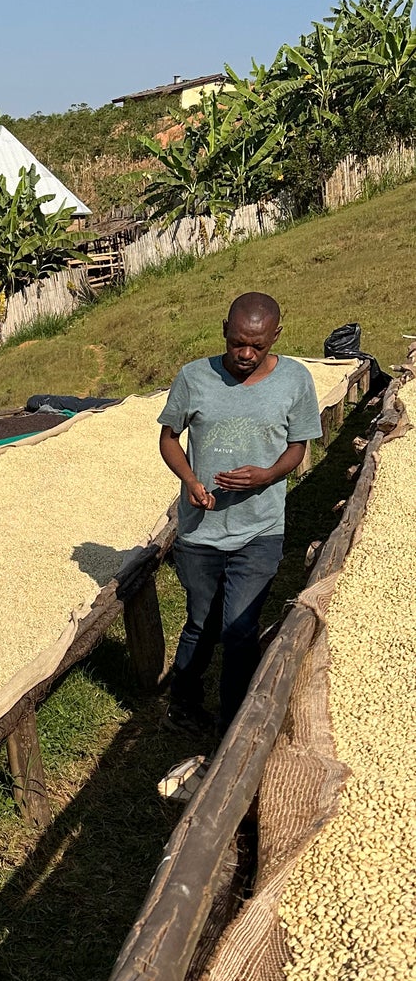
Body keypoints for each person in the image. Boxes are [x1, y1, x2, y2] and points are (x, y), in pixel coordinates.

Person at [158, 292, 323, 739]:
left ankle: (234, 723)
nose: (246, 354)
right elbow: (169, 439)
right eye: (237, 344)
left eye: (258, 346)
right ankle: (184, 703)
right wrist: (192, 481)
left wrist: (265, 476)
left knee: (239, 628)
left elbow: (298, 447)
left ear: (276, 337)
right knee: (202, 623)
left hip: (260, 529)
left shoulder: (294, 380)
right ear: (224, 330)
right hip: (200, 532)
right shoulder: (194, 378)